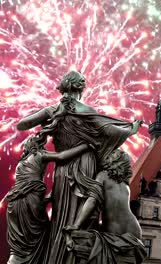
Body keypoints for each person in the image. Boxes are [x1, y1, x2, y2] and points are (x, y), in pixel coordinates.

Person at [16, 71, 143, 264]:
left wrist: (47, 115)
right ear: (80, 88)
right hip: (86, 166)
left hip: (62, 169)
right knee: (86, 217)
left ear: (63, 87)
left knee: (60, 217)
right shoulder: (87, 110)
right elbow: (110, 130)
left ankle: (56, 258)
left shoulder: (53, 110)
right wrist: (130, 129)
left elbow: (22, 125)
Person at [6, 133, 93, 264]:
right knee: (39, 237)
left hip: (14, 205)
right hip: (31, 202)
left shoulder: (21, 162)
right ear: (37, 146)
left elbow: (27, 185)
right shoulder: (39, 155)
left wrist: (49, 197)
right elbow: (61, 156)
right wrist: (85, 146)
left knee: (20, 247)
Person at [63, 149, 144, 264]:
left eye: (111, 155)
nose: (107, 157)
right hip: (135, 231)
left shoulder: (103, 176)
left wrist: (76, 225)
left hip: (115, 232)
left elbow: (92, 201)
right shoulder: (125, 185)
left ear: (115, 161)